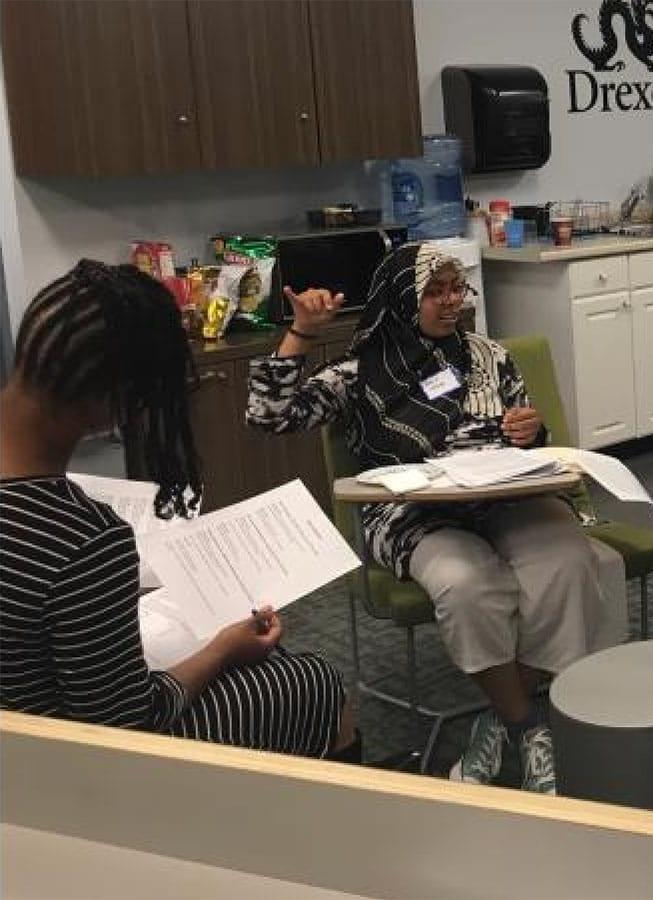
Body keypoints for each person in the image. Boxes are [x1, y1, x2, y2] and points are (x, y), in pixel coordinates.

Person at [247, 242, 625, 791]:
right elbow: (268, 416)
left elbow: (527, 428)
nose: (452, 302)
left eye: (458, 289)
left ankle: (498, 721)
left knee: (568, 561)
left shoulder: (489, 355)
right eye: (435, 291)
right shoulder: (360, 371)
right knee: (467, 584)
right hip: (412, 512)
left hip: (504, 494)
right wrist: (301, 334)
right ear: (403, 297)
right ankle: (528, 723)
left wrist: (530, 431)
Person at [0, 260, 356, 760]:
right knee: (309, 679)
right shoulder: (85, 539)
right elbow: (129, 725)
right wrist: (222, 651)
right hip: (58, 770)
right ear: (116, 400)